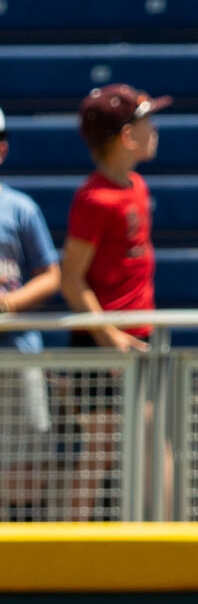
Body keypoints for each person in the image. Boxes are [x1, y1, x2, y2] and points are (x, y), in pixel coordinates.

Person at [60, 83, 170, 522]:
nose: (155, 130)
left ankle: (166, 534)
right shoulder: (94, 199)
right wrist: (108, 337)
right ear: (127, 136)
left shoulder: (137, 186)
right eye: (148, 122)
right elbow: (71, 278)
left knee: (153, 437)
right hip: (104, 344)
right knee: (102, 445)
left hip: (138, 336)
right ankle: (69, 542)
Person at [0, 109, 62, 519]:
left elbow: (51, 275)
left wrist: (6, 305)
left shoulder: (19, 209)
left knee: (22, 469)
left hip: (16, 353)